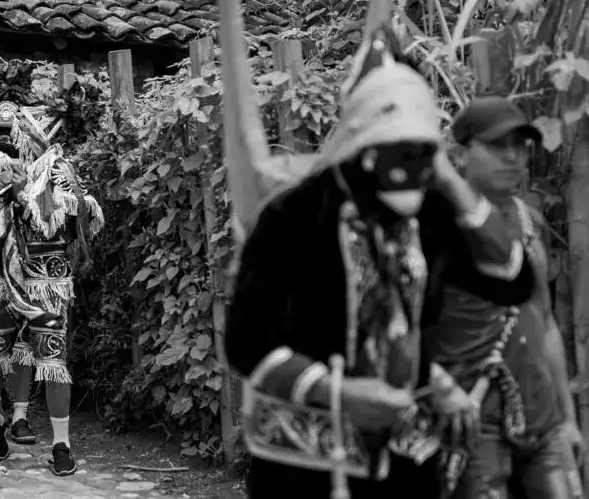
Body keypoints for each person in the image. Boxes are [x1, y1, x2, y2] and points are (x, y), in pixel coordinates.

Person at [224, 30, 538, 499]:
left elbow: (512, 282)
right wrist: (340, 395)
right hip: (307, 465)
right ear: (366, 147)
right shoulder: (296, 216)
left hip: (407, 460)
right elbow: (246, 343)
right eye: (400, 152)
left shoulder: (429, 212)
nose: (414, 168)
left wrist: (453, 187)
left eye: (424, 152)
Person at [0, 84, 103, 476]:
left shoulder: (58, 172)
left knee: (48, 359)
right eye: (0, 134)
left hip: (46, 282)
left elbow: (76, 215)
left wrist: (31, 193)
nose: (7, 142)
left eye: (13, 135)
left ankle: (56, 441)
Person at [426, 97, 582, 498]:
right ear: (458, 154)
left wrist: (566, 420)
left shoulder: (528, 221)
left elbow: (544, 321)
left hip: (542, 417)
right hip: (473, 422)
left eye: (520, 146)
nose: (513, 158)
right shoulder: (433, 229)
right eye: (498, 146)